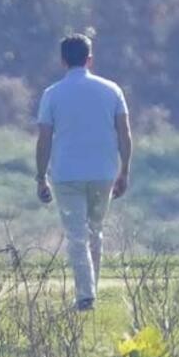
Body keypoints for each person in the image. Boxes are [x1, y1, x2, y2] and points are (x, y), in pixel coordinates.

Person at [35, 34, 132, 310]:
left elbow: (44, 138)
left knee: (76, 235)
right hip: (103, 172)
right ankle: (90, 291)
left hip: (66, 174)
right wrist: (124, 170)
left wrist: (40, 176)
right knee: (94, 231)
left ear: (63, 60)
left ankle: (85, 295)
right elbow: (124, 133)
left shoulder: (52, 94)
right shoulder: (111, 90)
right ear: (90, 59)